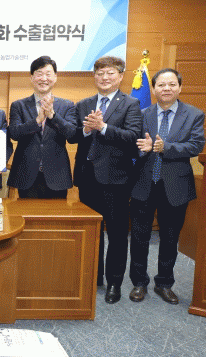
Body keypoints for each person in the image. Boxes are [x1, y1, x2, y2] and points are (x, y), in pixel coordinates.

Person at [69, 56, 142, 304]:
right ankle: (94, 277)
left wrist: (103, 127)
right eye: (100, 73)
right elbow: (74, 136)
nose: (104, 77)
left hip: (116, 180)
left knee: (117, 234)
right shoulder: (84, 104)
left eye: (110, 73)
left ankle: (114, 282)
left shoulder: (131, 104)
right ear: (94, 77)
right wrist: (86, 130)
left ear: (120, 76)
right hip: (87, 178)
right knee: (92, 231)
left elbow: (132, 137)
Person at [128, 68, 205, 305]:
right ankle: (139, 282)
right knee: (139, 237)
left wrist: (165, 147)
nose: (166, 89)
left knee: (170, 238)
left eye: (172, 84)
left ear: (180, 87)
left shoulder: (194, 114)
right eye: (161, 85)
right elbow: (132, 146)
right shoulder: (142, 114)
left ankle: (164, 283)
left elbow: (196, 145)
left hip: (175, 186)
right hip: (144, 184)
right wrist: (141, 149)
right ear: (153, 89)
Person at [7, 56, 76, 198]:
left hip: (57, 176)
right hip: (26, 175)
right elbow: (14, 133)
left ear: (55, 77)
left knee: (57, 213)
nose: (44, 78)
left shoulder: (67, 105)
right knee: (25, 212)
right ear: (32, 78)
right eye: (39, 74)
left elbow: (72, 134)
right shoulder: (18, 105)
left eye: (48, 74)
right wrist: (37, 121)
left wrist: (53, 116)